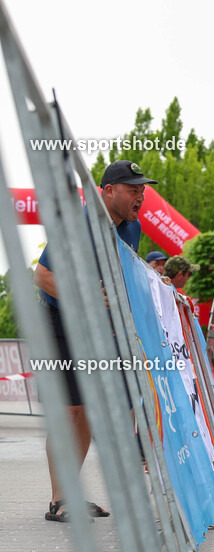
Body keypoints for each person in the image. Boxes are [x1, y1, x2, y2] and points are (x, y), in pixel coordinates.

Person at [34, 159, 158, 522]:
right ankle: (59, 500)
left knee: (89, 409)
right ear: (107, 191)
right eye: (133, 190)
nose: (141, 196)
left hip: (100, 328)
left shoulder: (131, 226)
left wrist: (154, 281)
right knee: (68, 409)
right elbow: (42, 276)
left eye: (143, 190)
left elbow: (127, 270)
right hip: (60, 322)